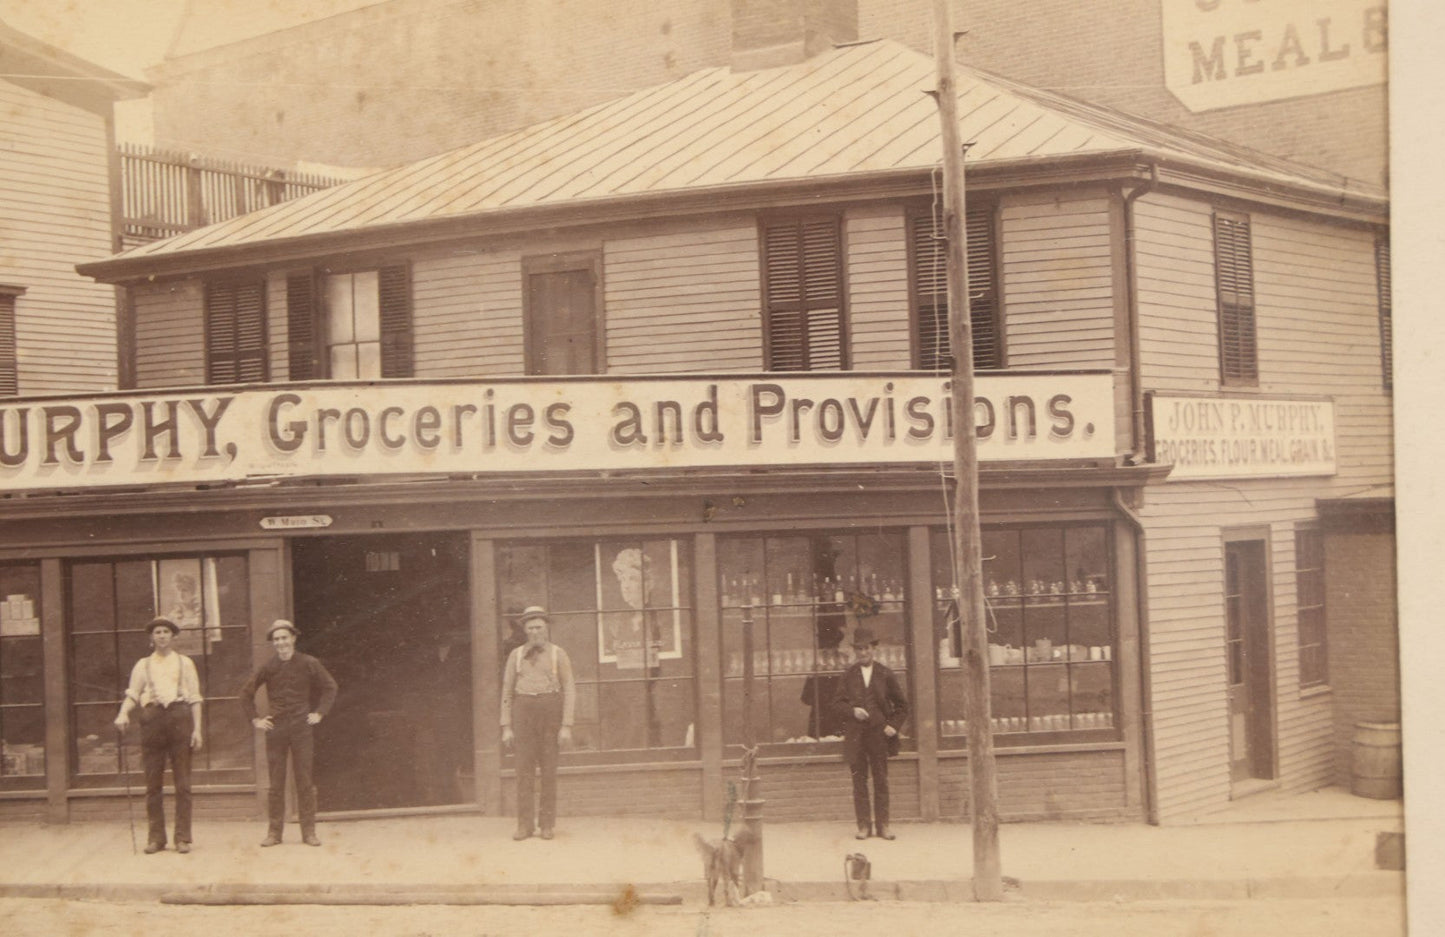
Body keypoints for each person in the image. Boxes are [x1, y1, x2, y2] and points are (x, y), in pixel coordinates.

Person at [239, 620, 338, 847]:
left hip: (301, 728)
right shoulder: (269, 667)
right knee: (276, 783)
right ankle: (274, 833)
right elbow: (245, 694)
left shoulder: (308, 663)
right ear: (273, 643)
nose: (281, 643)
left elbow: (330, 687)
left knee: (304, 780)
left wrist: (319, 713)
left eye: (284, 638)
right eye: (276, 640)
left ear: (293, 638)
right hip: (276, 729)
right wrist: (256, 719)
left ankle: (309, 833)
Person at [113, 616, 203, 854]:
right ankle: (156, 838)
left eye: (165, 632)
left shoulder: (185, 663)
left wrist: (197, 729)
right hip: (153, 722)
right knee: (153, 783)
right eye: (157, 632)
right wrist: (123, 714)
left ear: (173, 636)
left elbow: (195, 699)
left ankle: (182, 838)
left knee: (183, 783)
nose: (161, 636)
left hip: (179, 720)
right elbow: (133, 694)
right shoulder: (143, 665)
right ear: (151, 637)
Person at [500, 606, 575, 841]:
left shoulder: (558, 654)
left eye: (539, 627)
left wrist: (566, 725)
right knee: (523, 771)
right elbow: (507, 691)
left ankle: (546, 825)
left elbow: (570, 689)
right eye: (530, 628)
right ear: (524, 630)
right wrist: (506, 726)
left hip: (550, 711)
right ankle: (524, 825)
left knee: (549, 770)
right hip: (523, 711)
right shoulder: (515, 655)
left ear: (546, 628)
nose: (535, 632)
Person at [833, 626, 909, 840]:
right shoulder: (848, 675)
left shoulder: (885, 674)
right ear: (855, 651)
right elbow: (836, 704)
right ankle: (864, 826)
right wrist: (852, 711)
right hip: (856, 736)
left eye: (866, 648)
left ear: (873, 648)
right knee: (859, 781)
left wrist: (893, 726)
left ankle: (883, 826)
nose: (863, 653)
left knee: (881, 780)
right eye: (859, 649)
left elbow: (903, 706)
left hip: (879, 736)